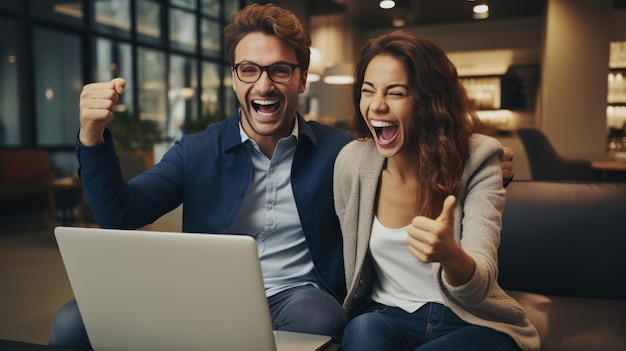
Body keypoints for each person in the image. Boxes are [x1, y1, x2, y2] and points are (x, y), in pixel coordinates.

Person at [49, 4, 515, 349]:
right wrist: (92, 136)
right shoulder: (196, 150)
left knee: (322, 316)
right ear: (234, 77)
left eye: (279, 70)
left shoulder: (341, 152)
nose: (264, 85)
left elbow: (419, 145)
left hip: (298, 297)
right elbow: (121, 214)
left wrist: (478, 162)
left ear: (302, 78)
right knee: (72, 323)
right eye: (249, 70)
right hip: (202, 293)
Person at [333, 31, 540, 351]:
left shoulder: (478, 158)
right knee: (362, 330)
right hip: (387, 315)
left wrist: (450, 255)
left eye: (396, 93)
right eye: (368, 91)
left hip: (469, 318)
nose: (376, 105)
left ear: (429, 100)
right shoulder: (352, 163)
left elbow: (478, 286)